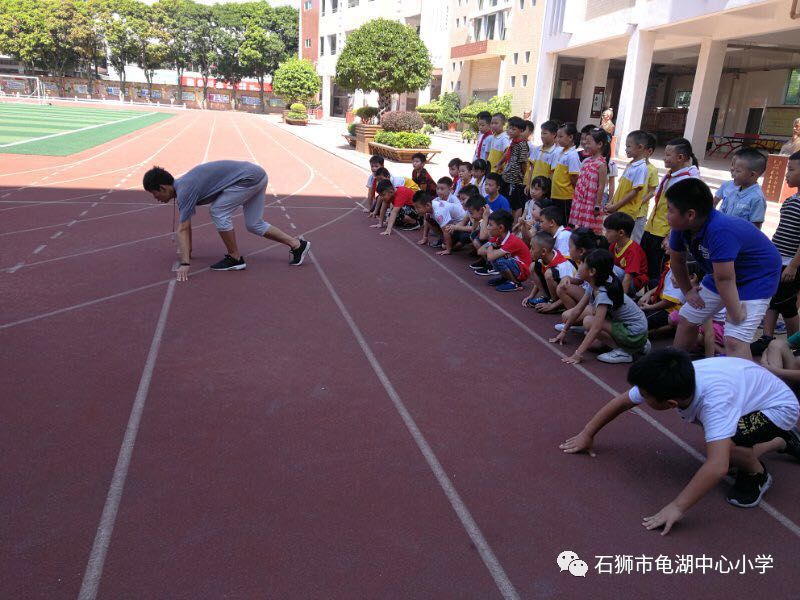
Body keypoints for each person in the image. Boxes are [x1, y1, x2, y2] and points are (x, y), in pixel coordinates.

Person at [561, 348, 800, 534]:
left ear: (671, 403)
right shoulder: (672, 380)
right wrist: (587, 433)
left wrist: (677, 507)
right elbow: (623, 401)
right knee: (722, 443)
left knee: (729, 450)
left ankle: (758, 475)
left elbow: (717, 467)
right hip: (750, 394)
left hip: (779, 408)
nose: (639, 397)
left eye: (644, 396)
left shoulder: (714, 403)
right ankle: (782, 441)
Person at [668, 178, 782, 359]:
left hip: (757, 276)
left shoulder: (720, 230)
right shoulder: (680, 227)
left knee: (735, 340)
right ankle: (673, 367)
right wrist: (688, 291)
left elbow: (725, 280)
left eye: (670, 210)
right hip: (723, 274)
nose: (667, 215)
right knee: (687, 318)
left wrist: (736, 313)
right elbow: (677, 262)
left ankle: (745, 386)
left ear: (690, 214)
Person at [143, 162, 310, 280]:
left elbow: (183, 228)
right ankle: (297, 245)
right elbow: (187, 224)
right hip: (257, 175)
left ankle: (235, 258)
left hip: (248, 179)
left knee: (218, 211)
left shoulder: (185, 189)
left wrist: (185, 263)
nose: (156, 198)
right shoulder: (182, 187)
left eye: (154, 193)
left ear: (163, 188)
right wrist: (189, 251)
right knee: (254, 224)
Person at [550, 248, 649, 364]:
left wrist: (577, 354)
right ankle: (639, 346)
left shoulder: (603, 294)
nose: (579, 267)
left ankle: (624, 351)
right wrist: (564, 331)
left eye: (582, 264)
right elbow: (578, 309)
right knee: (593, 341)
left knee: (589, 322)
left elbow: (597, 326)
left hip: (635, 332)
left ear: (592, 272)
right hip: (631, 327)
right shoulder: (596, 283)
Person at [752, 151, 800, 355]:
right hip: (778, 258)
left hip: (791, 262)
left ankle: (792, 345)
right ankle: (767, 337)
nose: (786, 174)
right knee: (773, 298)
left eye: (791, 169)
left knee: (787, 304)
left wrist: (794, 265)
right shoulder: (792, 200)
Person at [639, 138, 701, 288]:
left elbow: (684, 213)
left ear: (680, 157)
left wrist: (671, 235)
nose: (663, 158)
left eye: (667, 155)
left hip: (664, 233)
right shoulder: (671, 175)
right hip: (652, 228)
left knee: (658, 272)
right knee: (646, 268)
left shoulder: (688, 180)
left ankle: (654, 299)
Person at [476, 209, 532, 292]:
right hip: (515, 265)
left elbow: (490, 257)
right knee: (498, 256)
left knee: (499, 259)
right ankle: (505, 278)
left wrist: (491, 246)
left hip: (523, 271)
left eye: (490, 225)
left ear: (501, 228)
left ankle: (516, 283)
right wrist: (492, 248)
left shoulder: (511, 241)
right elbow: (480, 251)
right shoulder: (497, 237)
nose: (488, 227)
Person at [713, 147, 768, 229]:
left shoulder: (757, 198)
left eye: (738, 171)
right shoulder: (733, 192)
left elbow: (755, 228)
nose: (733, 173)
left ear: (752, 175)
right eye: (734, 169)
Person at [522, 230, 576, 310]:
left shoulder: (562, 266)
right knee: (533, 266)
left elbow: (572, 292)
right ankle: (546, 297)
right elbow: (538, 281)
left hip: (569, 297)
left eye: (532, 248)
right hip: (557, 289)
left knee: (549, 274)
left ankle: (554, 303)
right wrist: (531, 295)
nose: (530, 251)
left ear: (543, 251)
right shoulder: (544, 259)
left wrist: (552, 306)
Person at [570, 127, 609, 233]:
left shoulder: (601, 164)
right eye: (585, 142)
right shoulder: (587, 161)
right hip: (580, 200)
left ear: (599, 144)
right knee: (578, 227)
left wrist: (597, 204)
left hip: (590, 202)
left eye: (589, 143)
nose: (585, 145)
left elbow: (601, 186)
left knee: (588, 230)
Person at [606, 130, 648, 219]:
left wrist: (615, 206)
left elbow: (633, 192)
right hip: (619, 209)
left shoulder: (641, 168)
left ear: (640, 147)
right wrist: (612, 202)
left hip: (626, 213)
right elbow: (620, 187)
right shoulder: (630, 164)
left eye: (628, 146)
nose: (626, 149)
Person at [604, 212, 648, 296]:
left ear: (621, 233)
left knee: (608, 267)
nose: (605, 234)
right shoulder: (613, 245)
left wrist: (622, 300)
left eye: (608, 231)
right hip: (620, 279)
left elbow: (628, 278)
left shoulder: (633, 250)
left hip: (633, 284)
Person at [496, 116, 530, 223]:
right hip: (507, 176)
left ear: (521, 131)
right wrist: (500, 163)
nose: (510, 131)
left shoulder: (522, 144)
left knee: (516, 204)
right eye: (509, 128)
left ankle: (515, 224)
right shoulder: (514, 142)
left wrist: (523, 177)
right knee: (505, 199)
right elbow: (507, 153)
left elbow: (524, 162)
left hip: (515, 179)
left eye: (513, 129)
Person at [413, 191, 467, 256]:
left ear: (427, 205)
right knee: (428, 218)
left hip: (463, 225)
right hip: (452, 224)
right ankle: (444, 240)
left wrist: (448, 249)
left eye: (418, 208)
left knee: (445, 246)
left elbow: (446, 231)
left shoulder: (439, 212)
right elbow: (426, 221)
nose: (416, 210)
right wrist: (425, 237)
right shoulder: (430, 206)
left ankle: (463, 242)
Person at [551, 123, 582, 225]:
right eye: (557, 136)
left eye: (561, 136)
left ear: (571, 137)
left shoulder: (572, 155)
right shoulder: (561, 151)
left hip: (565, 196)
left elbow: (574, 177)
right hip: (557, 193)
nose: (558, 139)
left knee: (563, 223)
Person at [632, 132, 660, 243]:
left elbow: (653, 191)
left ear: (649, 151)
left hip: (639, 213)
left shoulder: (652, 169)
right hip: (626, 209)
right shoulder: (631, 166)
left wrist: (640, 202)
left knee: (636, 239)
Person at [526, 120, 559, 184]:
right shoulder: (537, 149)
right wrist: (528, 184)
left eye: (545, 133)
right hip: (533, 186)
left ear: (554, 134)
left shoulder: (556, 152)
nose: (542, 136)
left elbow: (552, 173)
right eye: (541, 133)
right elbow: (531, 168)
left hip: (544, 188)